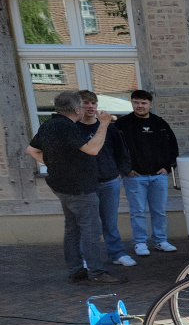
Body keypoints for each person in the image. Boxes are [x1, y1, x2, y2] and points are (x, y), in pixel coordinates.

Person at [26, 91, 126, 285]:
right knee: (91, 230)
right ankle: (96, 272)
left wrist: (55, 166)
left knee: (72, 228)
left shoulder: (49, 124)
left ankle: (76, 270)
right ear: (77, 109)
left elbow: (31, 150)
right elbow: (93, 149)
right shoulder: (67, 127)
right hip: (80, 188)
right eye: (82, 105)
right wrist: (104, 123)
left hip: (62, 186)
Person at [115, 90, 180, 256]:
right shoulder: (123, 125)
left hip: (158, 176)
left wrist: (168, 166)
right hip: (134, 177)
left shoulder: (160, 124)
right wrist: (126, 169)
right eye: (136, 102)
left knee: (159, 211)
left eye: (143, 103)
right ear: (132, 103)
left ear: (150, 104)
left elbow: (173, 147)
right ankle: (140, 243)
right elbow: (114, 148)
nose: (140, 106)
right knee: (138, 212)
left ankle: (160, 240)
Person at [77, 90, 135, 267]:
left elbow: (123, 153)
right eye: (86, 103)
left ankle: (116, 253)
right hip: (85, 184)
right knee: (88, 225)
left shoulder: (110, 128)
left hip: (110, 181)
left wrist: (120, 173)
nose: (90, 106)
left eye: (93, 103)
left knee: (110, 222)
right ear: (78, 106)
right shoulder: (74, 129)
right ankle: (85, 258)